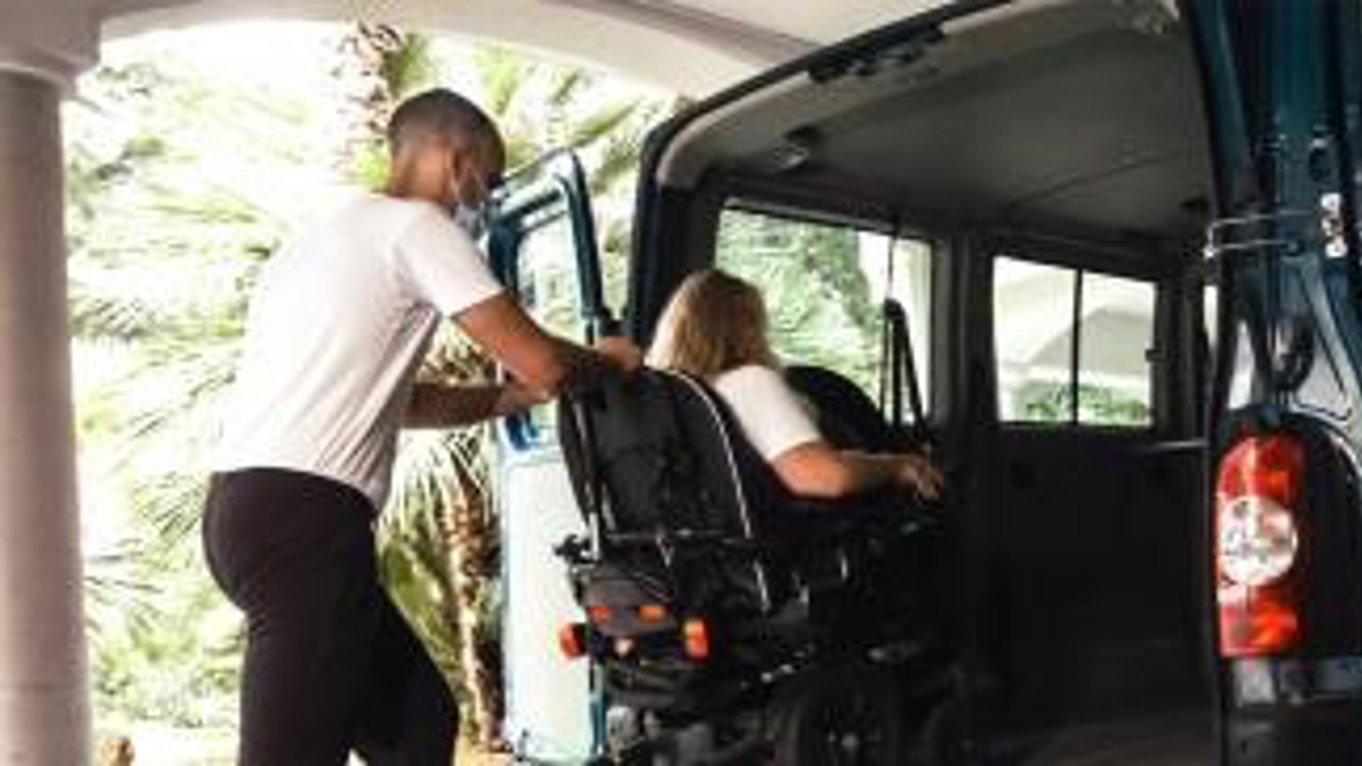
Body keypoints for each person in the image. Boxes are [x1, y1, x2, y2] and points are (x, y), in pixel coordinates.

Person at [201, 88, 643, 765]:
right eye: (488, 181)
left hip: (249, 512)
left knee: (418, 725)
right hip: (305, 523)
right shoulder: (418, 228)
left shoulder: (323, 234)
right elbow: (550, 363)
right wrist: (610, 362)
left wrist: (514, 398)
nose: (483, 202)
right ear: (454, 158)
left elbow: (405, 404)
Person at [646, 269, 942, 502]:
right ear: (745, 327)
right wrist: (894, 465)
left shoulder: (670, 394)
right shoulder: (748, 381)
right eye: (758, 324)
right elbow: (825, 478)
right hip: (801, 544)